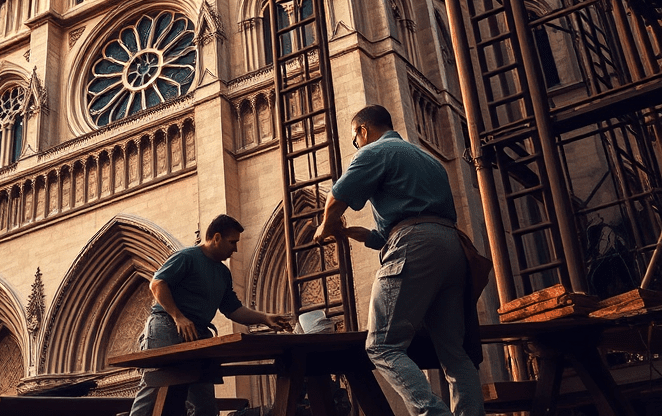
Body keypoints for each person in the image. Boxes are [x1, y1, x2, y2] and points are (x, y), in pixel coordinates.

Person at [313, 105, 485, 416]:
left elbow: (337, 197)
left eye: (355, 139)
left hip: (414, 245)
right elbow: (382, 235)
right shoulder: (429, 162)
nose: (357, 145)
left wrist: (325, 226)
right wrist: (348, 232)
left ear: (363, 131)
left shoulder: (375, 151)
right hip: (450, 246)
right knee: (454, 353)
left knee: (381, 345)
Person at [129, 214, 292, 416]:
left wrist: (264, 318)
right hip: (167, 326)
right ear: (216, 237)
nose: (236, 249)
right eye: (232, 242)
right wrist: (178, 317)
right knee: (154, 388)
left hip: (198, 333)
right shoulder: (187, 257)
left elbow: (233, 310)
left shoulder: (223, 274)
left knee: (204, 402)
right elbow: (157, 284)